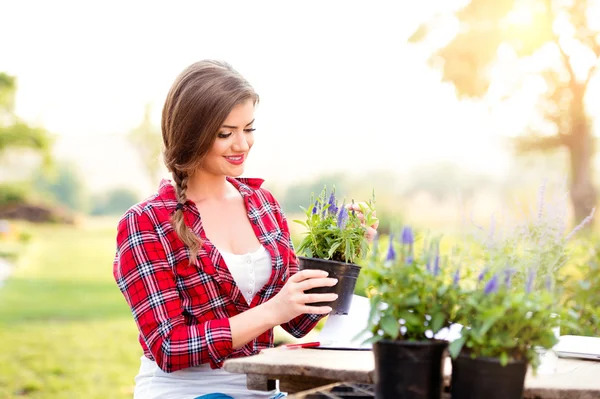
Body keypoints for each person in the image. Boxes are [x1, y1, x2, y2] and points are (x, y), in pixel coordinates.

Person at [112, 60, 377, 399]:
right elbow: (168, 346)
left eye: (248, 129)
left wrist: (345, 251)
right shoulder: (146, 222)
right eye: (225, 133)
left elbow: (298, 321)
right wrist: (272, 310)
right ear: (191, 135)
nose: (242, 144)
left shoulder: (263, 205)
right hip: (188, 392)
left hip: (262, 390)